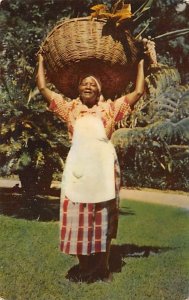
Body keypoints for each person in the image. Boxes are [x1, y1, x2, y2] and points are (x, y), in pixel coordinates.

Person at [36, 39, 157, 283]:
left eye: (93, 84)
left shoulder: (111, 108)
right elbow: (43, 88)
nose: (88, 86)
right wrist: (40, 60)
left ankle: (101, 267)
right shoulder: (69, 108)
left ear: (100, 89)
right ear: (79, 89)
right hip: (79, 168)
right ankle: (84, 267)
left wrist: (141, 62)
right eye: (84, 83)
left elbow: (137, 92)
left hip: (103, 169)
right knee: (77, 214)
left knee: (102, 217)